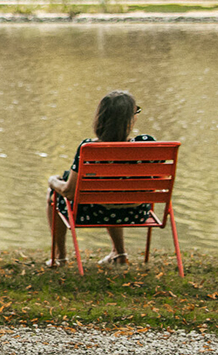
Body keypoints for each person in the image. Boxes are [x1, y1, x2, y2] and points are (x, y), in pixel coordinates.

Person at [46, 88, 156, 267]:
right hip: (137, 213)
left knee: (53, 194)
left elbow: (69, 192)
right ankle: (119, 253)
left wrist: (53, 181)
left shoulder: (89, 148)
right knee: (118, 189)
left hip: (95, 213)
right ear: (129, 119)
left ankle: (60, 257)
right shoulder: (148, 144)